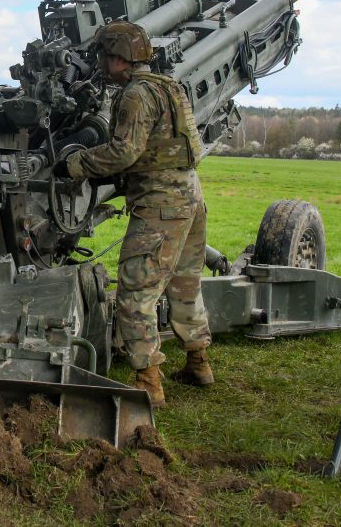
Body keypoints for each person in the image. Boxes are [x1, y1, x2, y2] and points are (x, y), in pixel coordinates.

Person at [54, 21, 213, 408]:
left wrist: (74, 164)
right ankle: (199, 362)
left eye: (105, 56)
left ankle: (148, 383)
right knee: (185, 283)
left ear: (117, 57)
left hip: (161, 205)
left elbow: (125, 152)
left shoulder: (135, 96)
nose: (102, 64)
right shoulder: (169, 86)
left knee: (135, 292)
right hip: (191, 195)